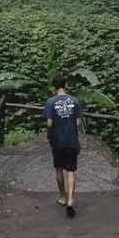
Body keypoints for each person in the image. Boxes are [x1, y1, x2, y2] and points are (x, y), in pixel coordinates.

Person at [43, 74, 84, 217]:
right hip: (71, 139)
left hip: (57, 141)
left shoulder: (50, 102)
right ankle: (71, 200)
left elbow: (49, 123)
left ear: (54, 87)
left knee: (59, 168)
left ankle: (63, 197)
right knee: (71, 170)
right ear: (65, 85)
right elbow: (79, 123)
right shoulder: (75, 101)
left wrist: (49, 133)